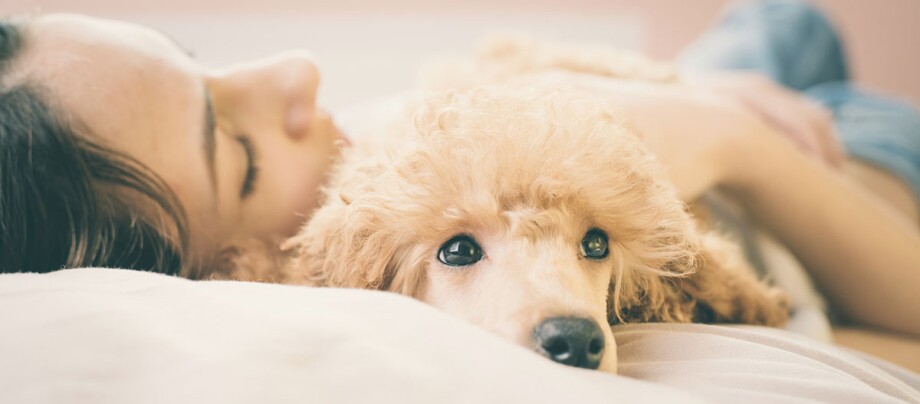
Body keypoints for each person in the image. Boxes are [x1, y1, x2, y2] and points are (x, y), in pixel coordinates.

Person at [0, 0, 917, 358]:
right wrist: (730, 137)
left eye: (202, 63)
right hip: (849, 154)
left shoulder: (381, 149)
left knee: (781, 25)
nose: (297, 70)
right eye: (238, 153)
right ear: (221, 267)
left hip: (682, 82)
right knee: (801, 46)